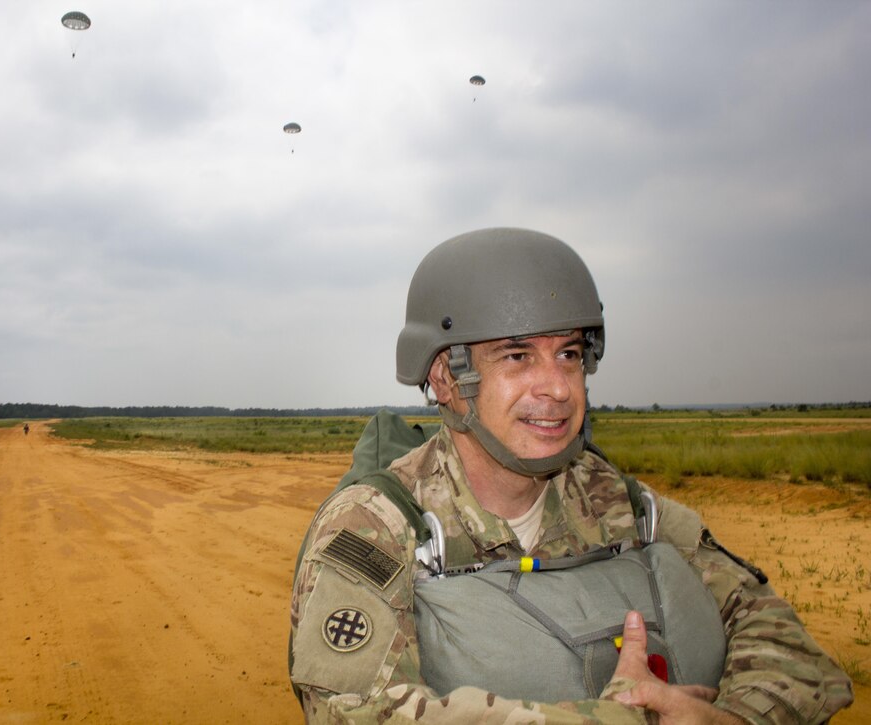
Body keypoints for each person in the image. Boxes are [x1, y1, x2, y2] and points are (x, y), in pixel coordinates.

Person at [289, 228, 853, 724]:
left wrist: (728, 719)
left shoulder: (619, 503)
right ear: (446, 377)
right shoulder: (377, 526)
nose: (558, 387)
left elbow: (789, 646)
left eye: (569, 355)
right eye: (517, 357)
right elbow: (353, 712)